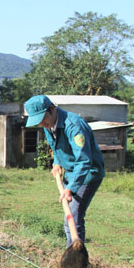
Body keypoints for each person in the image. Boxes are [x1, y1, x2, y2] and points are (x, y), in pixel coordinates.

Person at [24, 95, 105, 246]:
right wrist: (56, 163)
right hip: (71, 172)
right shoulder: (49, 125)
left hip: (87, 174)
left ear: (52, 109)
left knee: (73, 217)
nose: (42, 124)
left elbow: (84, 161)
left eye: (43, 119)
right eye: (38, 121)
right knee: (70, 217)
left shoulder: (74, 126)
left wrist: (71, 189)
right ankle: (76, 258)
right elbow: (57, 147)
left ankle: (74, 264)